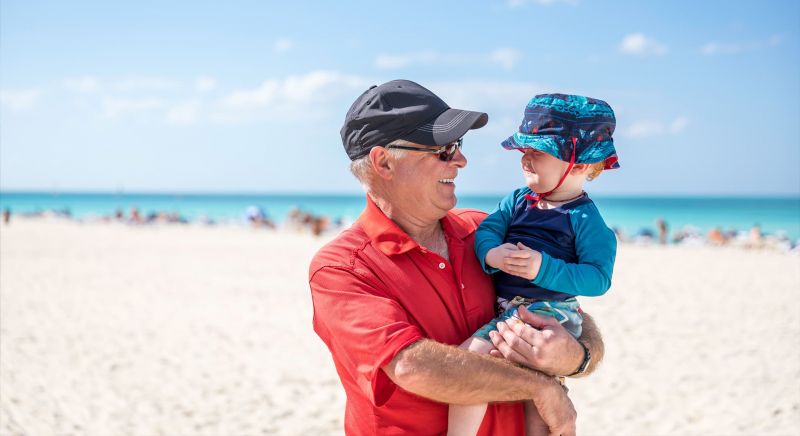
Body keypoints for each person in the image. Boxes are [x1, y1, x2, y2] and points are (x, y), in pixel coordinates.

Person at [309, 80, 605, 435]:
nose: (461, 160)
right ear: (383, 162)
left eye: (458, 145)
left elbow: (572, 313)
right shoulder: (342, 267)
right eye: (444, 150)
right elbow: (413, 367)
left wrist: (577, 356)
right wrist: (540, 387)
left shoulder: (486, 232)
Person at [448, 94, 619, 435]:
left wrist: (544, 267)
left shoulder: (585, 218)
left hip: (552, 310)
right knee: (535, 393)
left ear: (581, 165)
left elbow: (598, 279)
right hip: (509, 307)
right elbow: (490, 229)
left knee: (470, 362)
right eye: (523, 152)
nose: (525, 160)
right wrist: (490, 255)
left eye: (537, 153)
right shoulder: (518, 200)